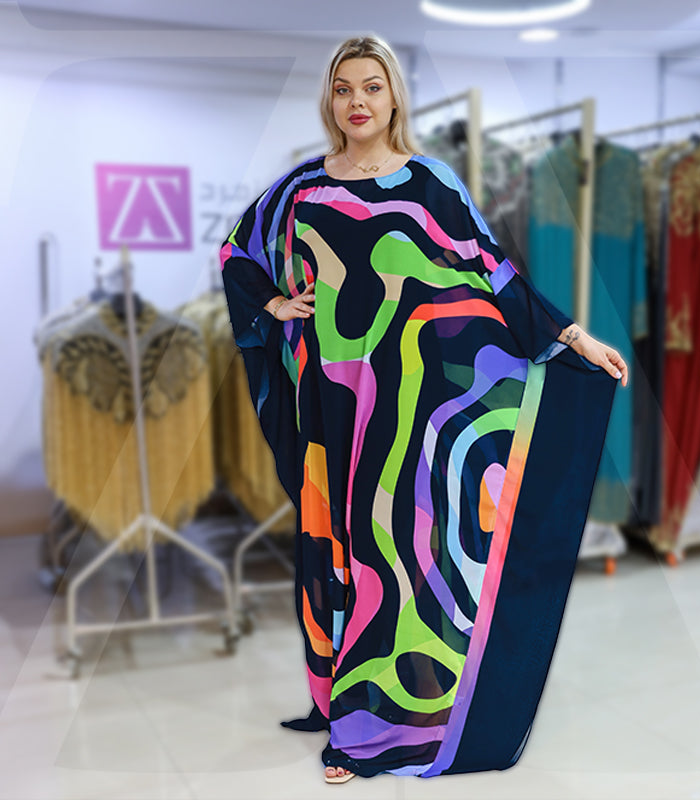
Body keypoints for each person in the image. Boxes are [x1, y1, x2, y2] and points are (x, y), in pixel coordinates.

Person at [221, 35, 626, 784]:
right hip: (334, 406)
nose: (358, 102)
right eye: (344, 88)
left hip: (414, 406)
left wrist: (574, 336)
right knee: (345, 547)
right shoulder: (302, 188)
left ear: (393, 98)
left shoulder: (430, 182)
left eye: (371, 87)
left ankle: (392, 720)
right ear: (330, 99)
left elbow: (493, 271)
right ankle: (352, 713)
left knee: (405, 554)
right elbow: (237, 253)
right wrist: (274, 304)